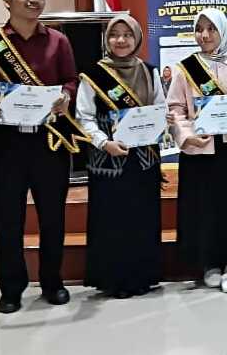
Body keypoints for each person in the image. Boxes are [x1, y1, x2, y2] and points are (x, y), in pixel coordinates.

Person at [0, 0, 82, 314]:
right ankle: (11, 289)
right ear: (7, 0)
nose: (34, 0)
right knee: (8, 219)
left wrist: (66, 96)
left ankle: (52, 282)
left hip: (49, 141)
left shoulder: (59, 41)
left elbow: (71, 80)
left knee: (52, 217)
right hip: (8, 143)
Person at [167, 8, 227, 294]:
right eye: (199, 29)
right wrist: (188, 137)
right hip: (200, 149)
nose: (205, 35)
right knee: (203, 208)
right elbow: (175, 110)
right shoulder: (185, 68)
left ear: (223, 30)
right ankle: (209, 264)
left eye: (211, 29)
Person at [76, 15, 164, 298]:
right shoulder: (93, 75)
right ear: (107, 39)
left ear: (137, 38)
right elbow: (84, 118)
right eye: (115, 34)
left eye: (128, 34)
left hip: (143, 160)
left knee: (142, 219)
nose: (121, 40)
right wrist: (104, 143)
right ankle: (114, 280)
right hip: (108, 161)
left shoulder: (149, 71)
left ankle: (142, 277)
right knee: (112, 221)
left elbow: (160, 109)